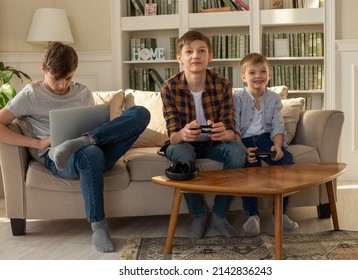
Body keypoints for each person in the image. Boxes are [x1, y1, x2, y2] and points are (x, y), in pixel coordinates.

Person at [0, 42, 150, 253]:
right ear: (43, 70)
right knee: (89, 154)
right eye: (56, 79)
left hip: (95, 148)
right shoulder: (30, 94)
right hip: (58, 157)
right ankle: (98, 225)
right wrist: (37, 143)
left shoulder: (83, 92)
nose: (63, 85)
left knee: (141, 113)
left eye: (68, 78)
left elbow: (91, 123)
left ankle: (83, 140)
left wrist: (95, 134)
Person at [160, 30, 246, 239]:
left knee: (237, 150)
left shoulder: (222, 84)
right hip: (183, 144)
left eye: (201, 51)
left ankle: (219, 215)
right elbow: (172, 136)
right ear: (179, 58)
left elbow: (231, 131)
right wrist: (182, 133)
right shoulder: (169, 87)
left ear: (210, 56)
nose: (195, 56)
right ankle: (198, 216)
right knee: (182, 152)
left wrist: (224, 133)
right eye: (189, 51)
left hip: (211, 143)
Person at [233, 53, 299, 236]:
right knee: (249, 168)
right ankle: (252, 216)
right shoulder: (238, 97)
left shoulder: (274, 98)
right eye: (252, 72)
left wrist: (278, 146)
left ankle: (280, 214)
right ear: (244, 77)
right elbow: (234, 129)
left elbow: (278, 126)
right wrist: (244, 150)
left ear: (269, 75)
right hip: (245, 140)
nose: (258, 76)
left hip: (266, 138)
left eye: (263, 71)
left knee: (286, 162)